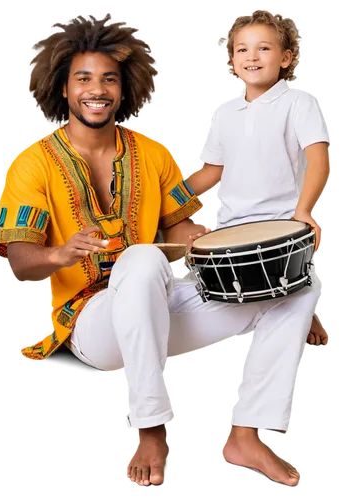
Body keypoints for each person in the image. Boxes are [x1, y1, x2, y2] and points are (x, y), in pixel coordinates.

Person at [0, 12, 328, 489]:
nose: (97, 89)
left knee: (297, 285)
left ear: (125, 89)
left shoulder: (150, 153)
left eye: (109, 79)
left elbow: (187, 232)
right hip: (92, 326)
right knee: (143, 258)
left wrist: (278, 283)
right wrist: (61, 253)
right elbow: (21, 264)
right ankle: (151, 429)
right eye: (82, 78)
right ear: (62, 88)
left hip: (162, 309)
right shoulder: (31, 162)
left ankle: (246, 433)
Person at [185, 7, 331, 483]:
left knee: (298, 291)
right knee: (296, 297)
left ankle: (246, 434)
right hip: (229, 234)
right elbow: (210, 174)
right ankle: (302, 298)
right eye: (242, 49)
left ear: (288, 57)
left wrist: (305, 211)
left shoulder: (298, 103)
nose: (252, 57)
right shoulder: (226, 113)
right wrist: (157, 205)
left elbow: (318, 160)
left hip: (282, 231)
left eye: (265, 48)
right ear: (231, 61)